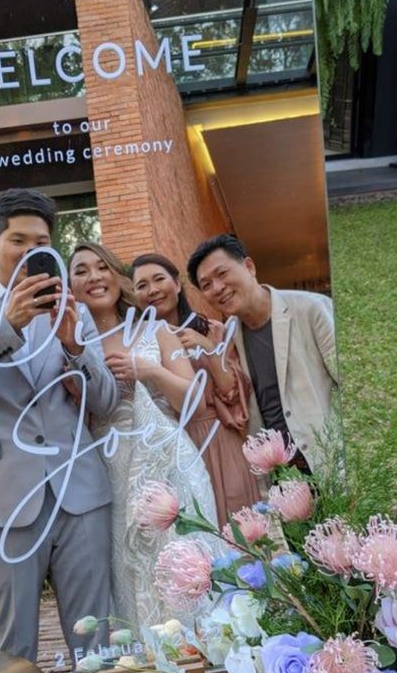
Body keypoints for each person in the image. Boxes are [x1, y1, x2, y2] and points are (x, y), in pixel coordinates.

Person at [0, 188, 119, 666]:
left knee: (99, 648)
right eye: (18, 241)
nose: (32, 252)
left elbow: (107, 401)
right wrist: (5, 326)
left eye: (42, 241)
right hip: (1, 498)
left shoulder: (74, 312)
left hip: (80, 493)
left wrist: (74, 349)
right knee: (13, 653)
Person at [68, 242, 218, 630]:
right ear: (70, 286)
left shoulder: (157, 330)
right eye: (81, 271)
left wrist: (147, 370)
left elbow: (195, 404)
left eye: (102, 267)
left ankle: (202, 651)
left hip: (170, 465)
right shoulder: (70, 345)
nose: (94, 277)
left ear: (117, 276)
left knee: (180, 559)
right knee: (130, 567)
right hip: (111, 470)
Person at [187, 234, 339, 477]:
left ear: (249, 266)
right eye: (206, 285)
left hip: (327, 460)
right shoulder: (227, 338)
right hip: (280, 478)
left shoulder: (311, 309)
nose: (217, 288)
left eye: (222, 273)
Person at [131, 253, 260, 524]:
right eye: (141, 285)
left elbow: (234, 394)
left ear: (177, 284)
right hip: (170, 448)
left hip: (217, 440)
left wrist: (210, 349)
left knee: (237, 528)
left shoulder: (212, 330)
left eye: (159, 279)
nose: (152, 290)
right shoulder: (135, 341)